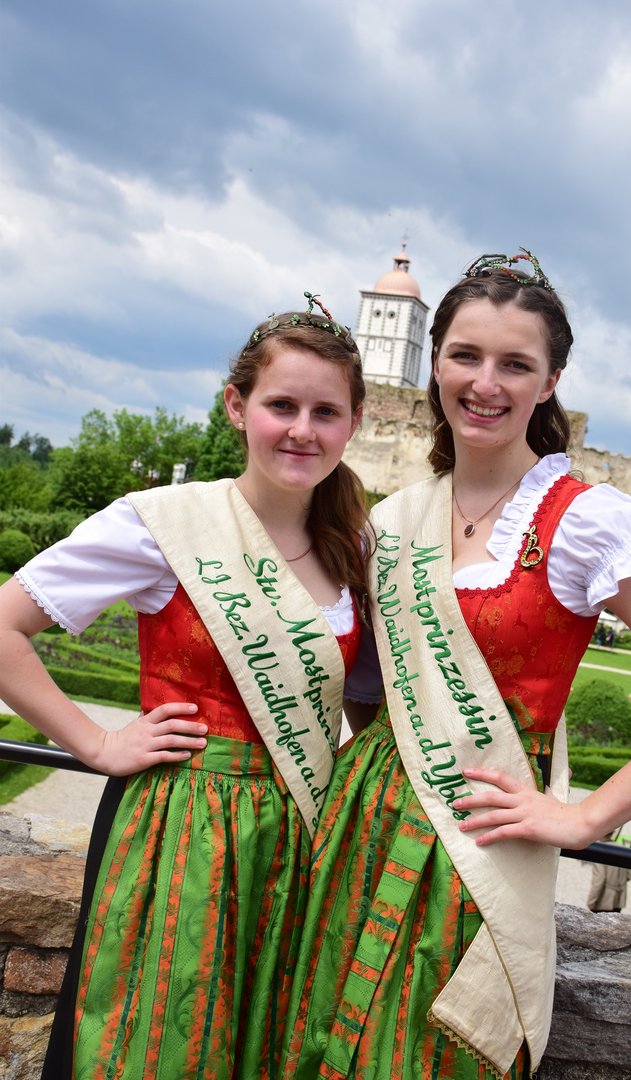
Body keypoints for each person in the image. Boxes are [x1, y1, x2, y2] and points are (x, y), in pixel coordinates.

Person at [280, 249, 631, 1079]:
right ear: (435, 362)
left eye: (515, 364)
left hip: (479, 850)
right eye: (466, 356)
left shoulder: (583, 519)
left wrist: (586, 820)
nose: (485, 383)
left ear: (550, 382)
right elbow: (373, 687)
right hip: (361, 827)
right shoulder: (394, 519)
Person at [0, 294, 372, 1079]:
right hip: (179, 828)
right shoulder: (162, 525)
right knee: (156, 1044)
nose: (302, 430)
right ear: (237, 407)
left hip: (299, 838)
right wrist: (97, 742)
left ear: (354, 423)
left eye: (325, 412)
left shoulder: (353, 547)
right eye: (281, 405)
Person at [587, 835, 631, 913]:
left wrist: (591, 902)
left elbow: (599, 880)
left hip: (603, 900)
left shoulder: (600, 850)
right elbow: (629, 875)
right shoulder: (623, 848)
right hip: (618, 899)